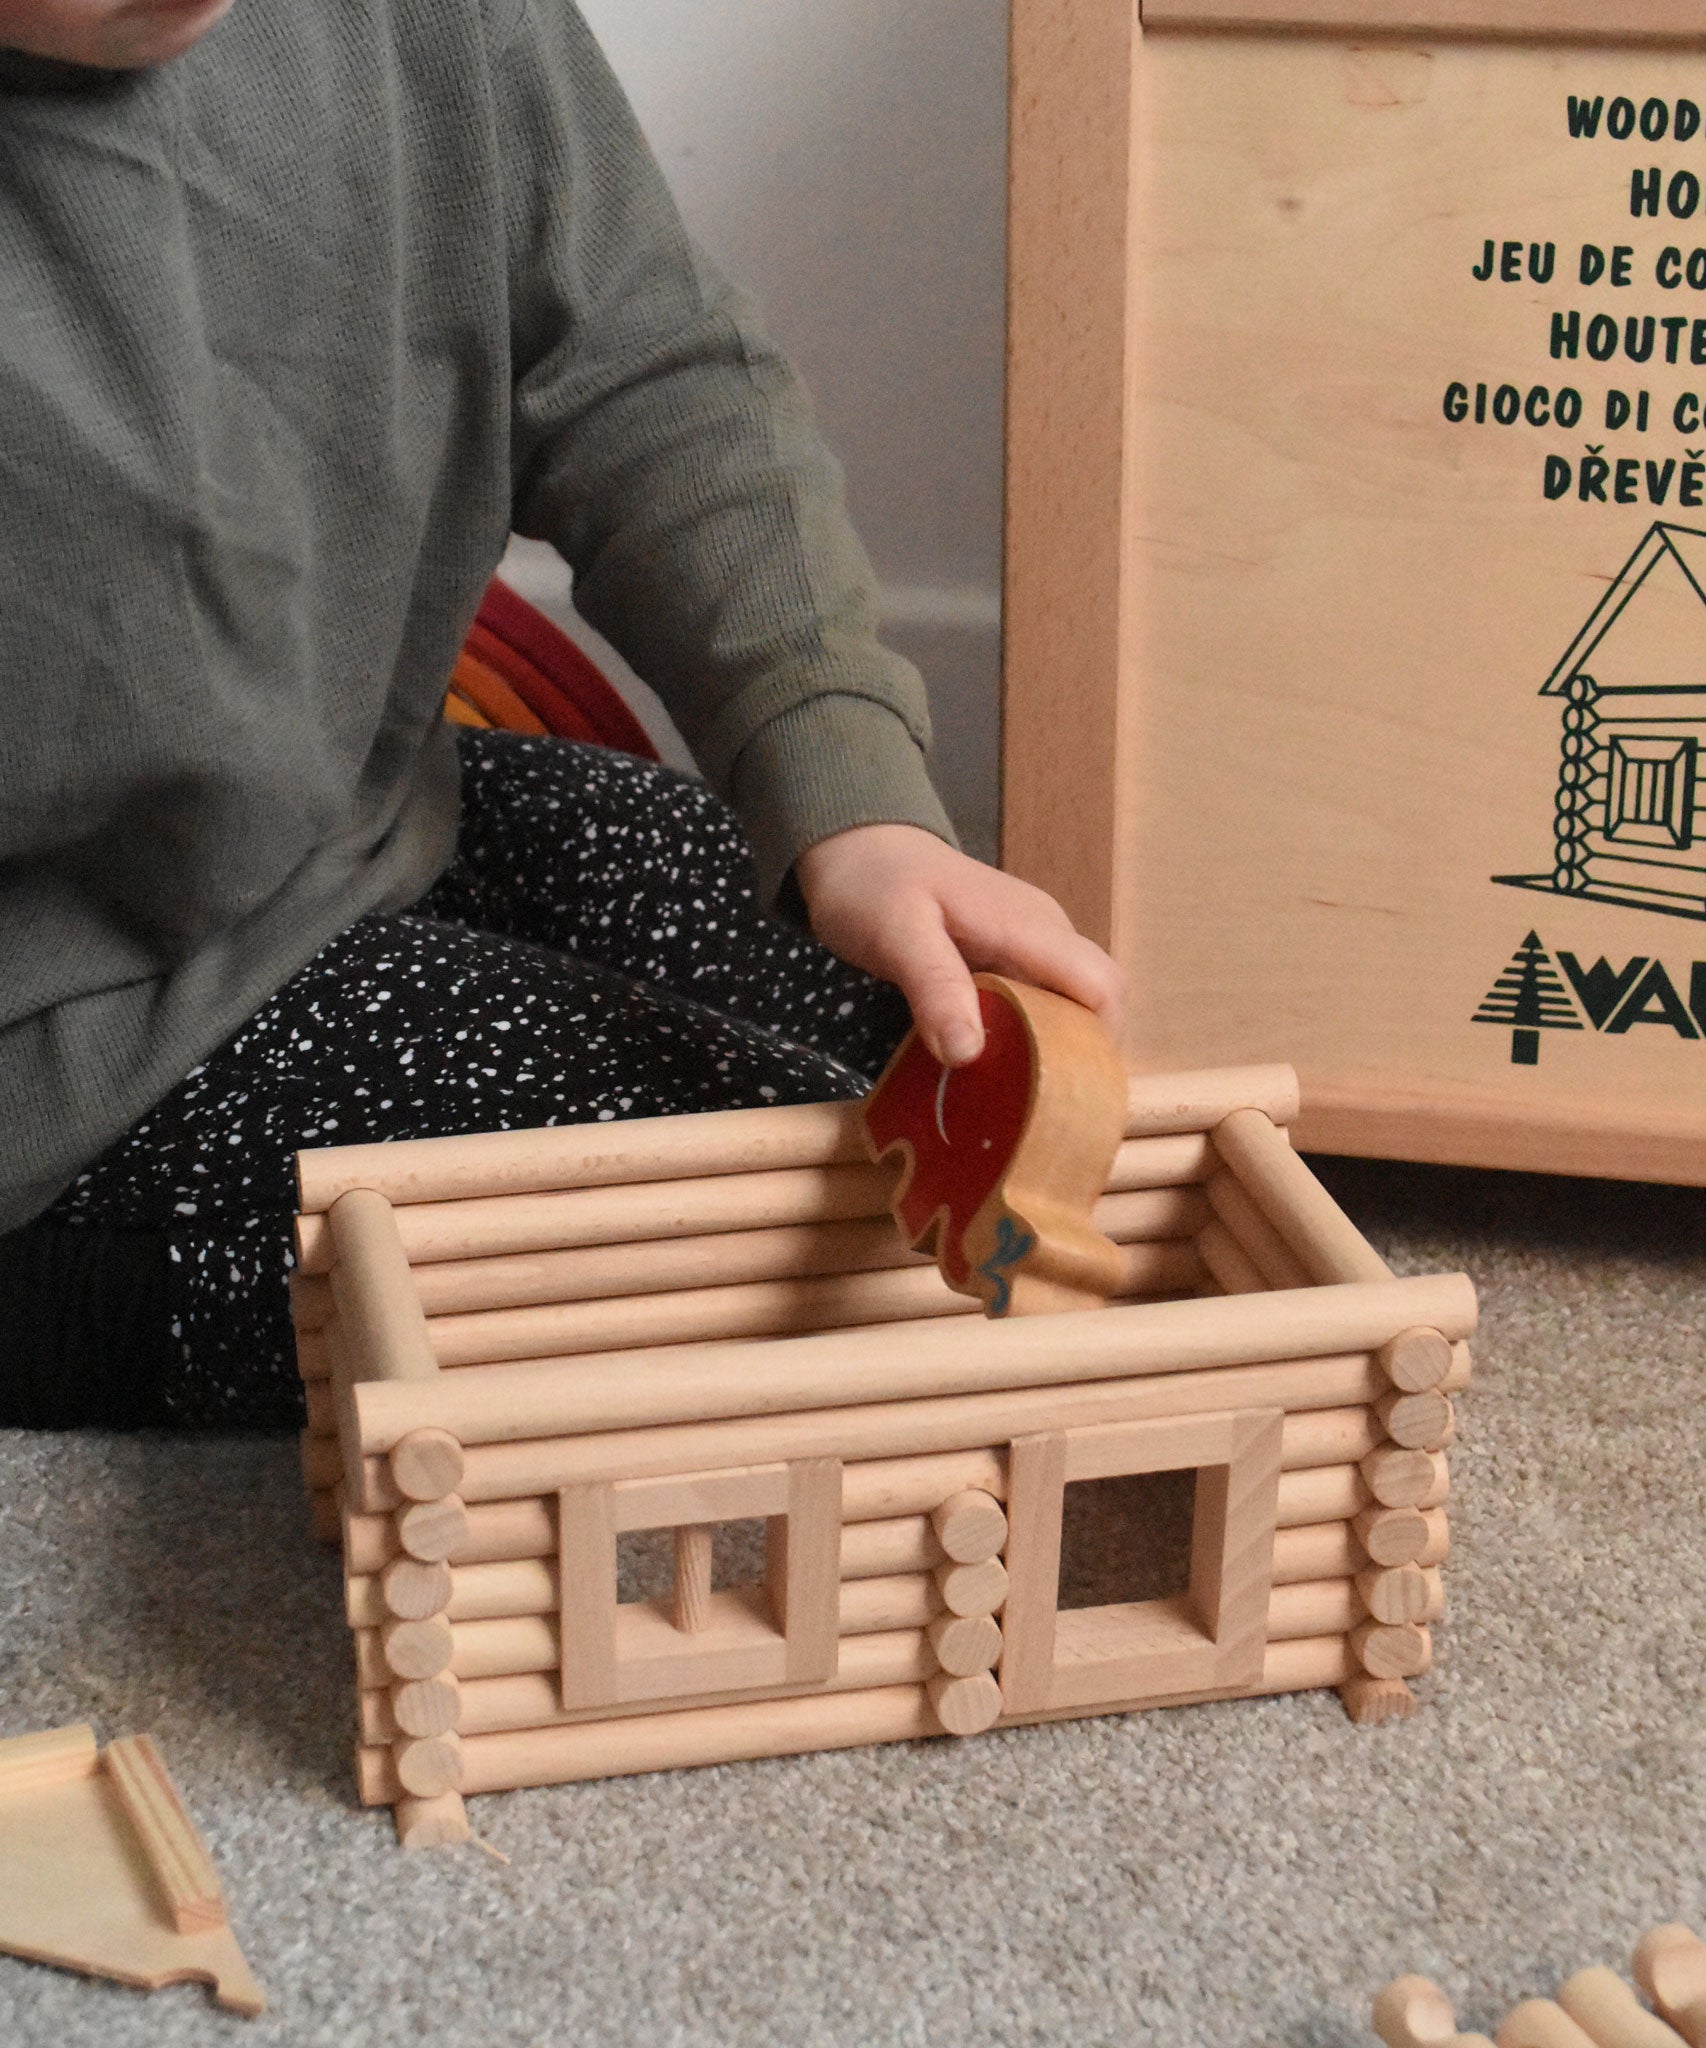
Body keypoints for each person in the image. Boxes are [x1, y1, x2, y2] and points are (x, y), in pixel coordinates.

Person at [0, 0, 1119, 1429]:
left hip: (341, 818)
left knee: (922, 1035)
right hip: (54, 1039)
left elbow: (645, 374)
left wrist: (853, 795)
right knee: (818, 1220)